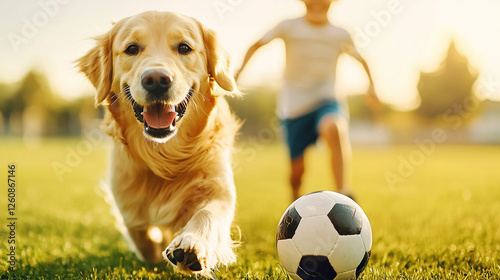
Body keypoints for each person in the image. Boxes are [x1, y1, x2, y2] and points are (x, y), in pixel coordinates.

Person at [236, 0, 381, 201]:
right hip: (293, 109)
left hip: (326, 100)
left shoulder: (340, 35)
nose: (318, 4)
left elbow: (362, 59)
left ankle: (343, 194)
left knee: (335, 128)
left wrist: (371, 87)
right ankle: (295, 198)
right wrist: (239, 72)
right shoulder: (289, 26)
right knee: (297, 173)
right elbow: (257, 44)